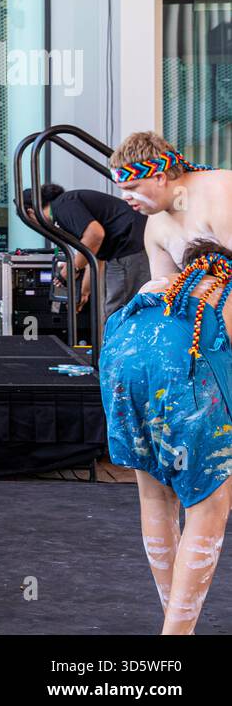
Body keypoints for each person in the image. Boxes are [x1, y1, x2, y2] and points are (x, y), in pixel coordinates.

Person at [99, 238, 232, 634]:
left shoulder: (153, 287)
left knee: (156, 494)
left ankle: (175, 621)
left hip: (120, 380)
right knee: (209, 507)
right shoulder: (224, 292)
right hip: (181, 385)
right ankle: (176, 634)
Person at [109, 131, 232, 278]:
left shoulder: (219, 191)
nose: (125, 197)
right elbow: (163, 291)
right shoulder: (154, 226)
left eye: (132, 188)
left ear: (160, 178)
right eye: (122, 189)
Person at [21, 183, 149, 319]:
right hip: (127, 248)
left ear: (31, 212)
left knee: (118, 313)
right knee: (115, 312)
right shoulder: (64, 207)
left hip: (127, 247)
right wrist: (84, 292)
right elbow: (94, 256)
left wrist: (72, 269)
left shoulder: (63, 206)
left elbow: (95, 235)